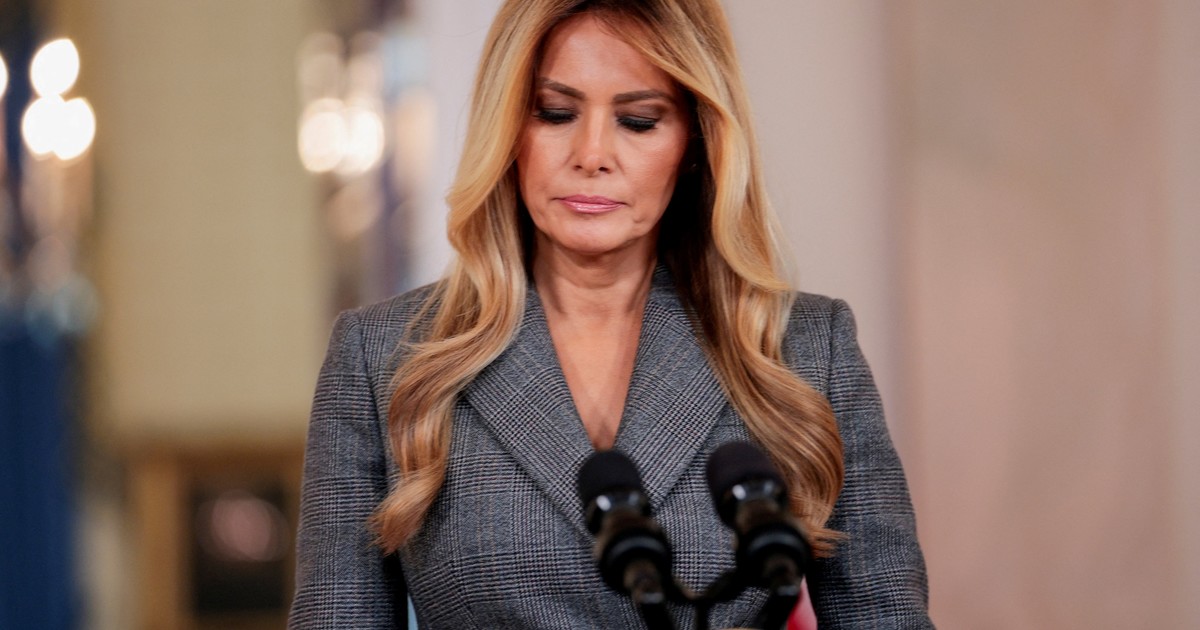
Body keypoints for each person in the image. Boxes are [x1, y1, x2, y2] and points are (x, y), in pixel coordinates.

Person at [289, 0, 931, 628]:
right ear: (507, 128)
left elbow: (888, 617)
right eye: (556, 112)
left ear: (696, 141)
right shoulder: (382, 355)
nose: (592, 154)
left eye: (639, 121)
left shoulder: (805, 348)